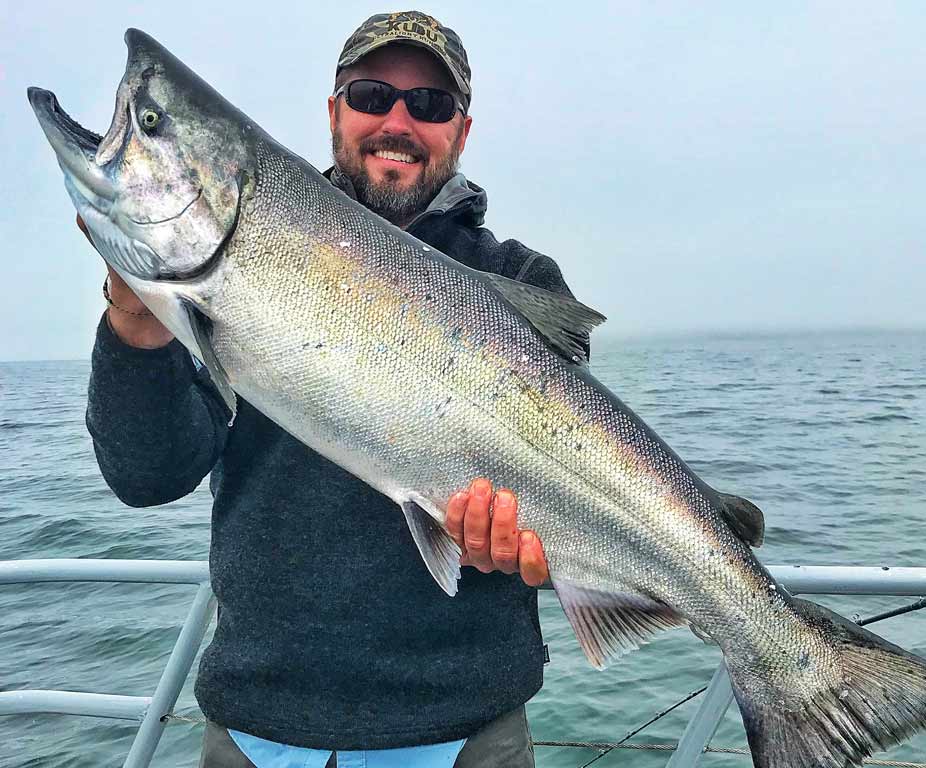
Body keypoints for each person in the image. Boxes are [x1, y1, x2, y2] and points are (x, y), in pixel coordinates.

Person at [84, 10, 587, 768]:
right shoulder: (231, 269)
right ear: (333, 112)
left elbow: (572, 508)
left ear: (461, 131)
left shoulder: (520, 283)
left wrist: (525, 546)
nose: (397, 121)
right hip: (259, 729)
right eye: (371, 93)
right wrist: (135, 315)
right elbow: (148, 476)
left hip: (464, 732)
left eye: (430, 105)